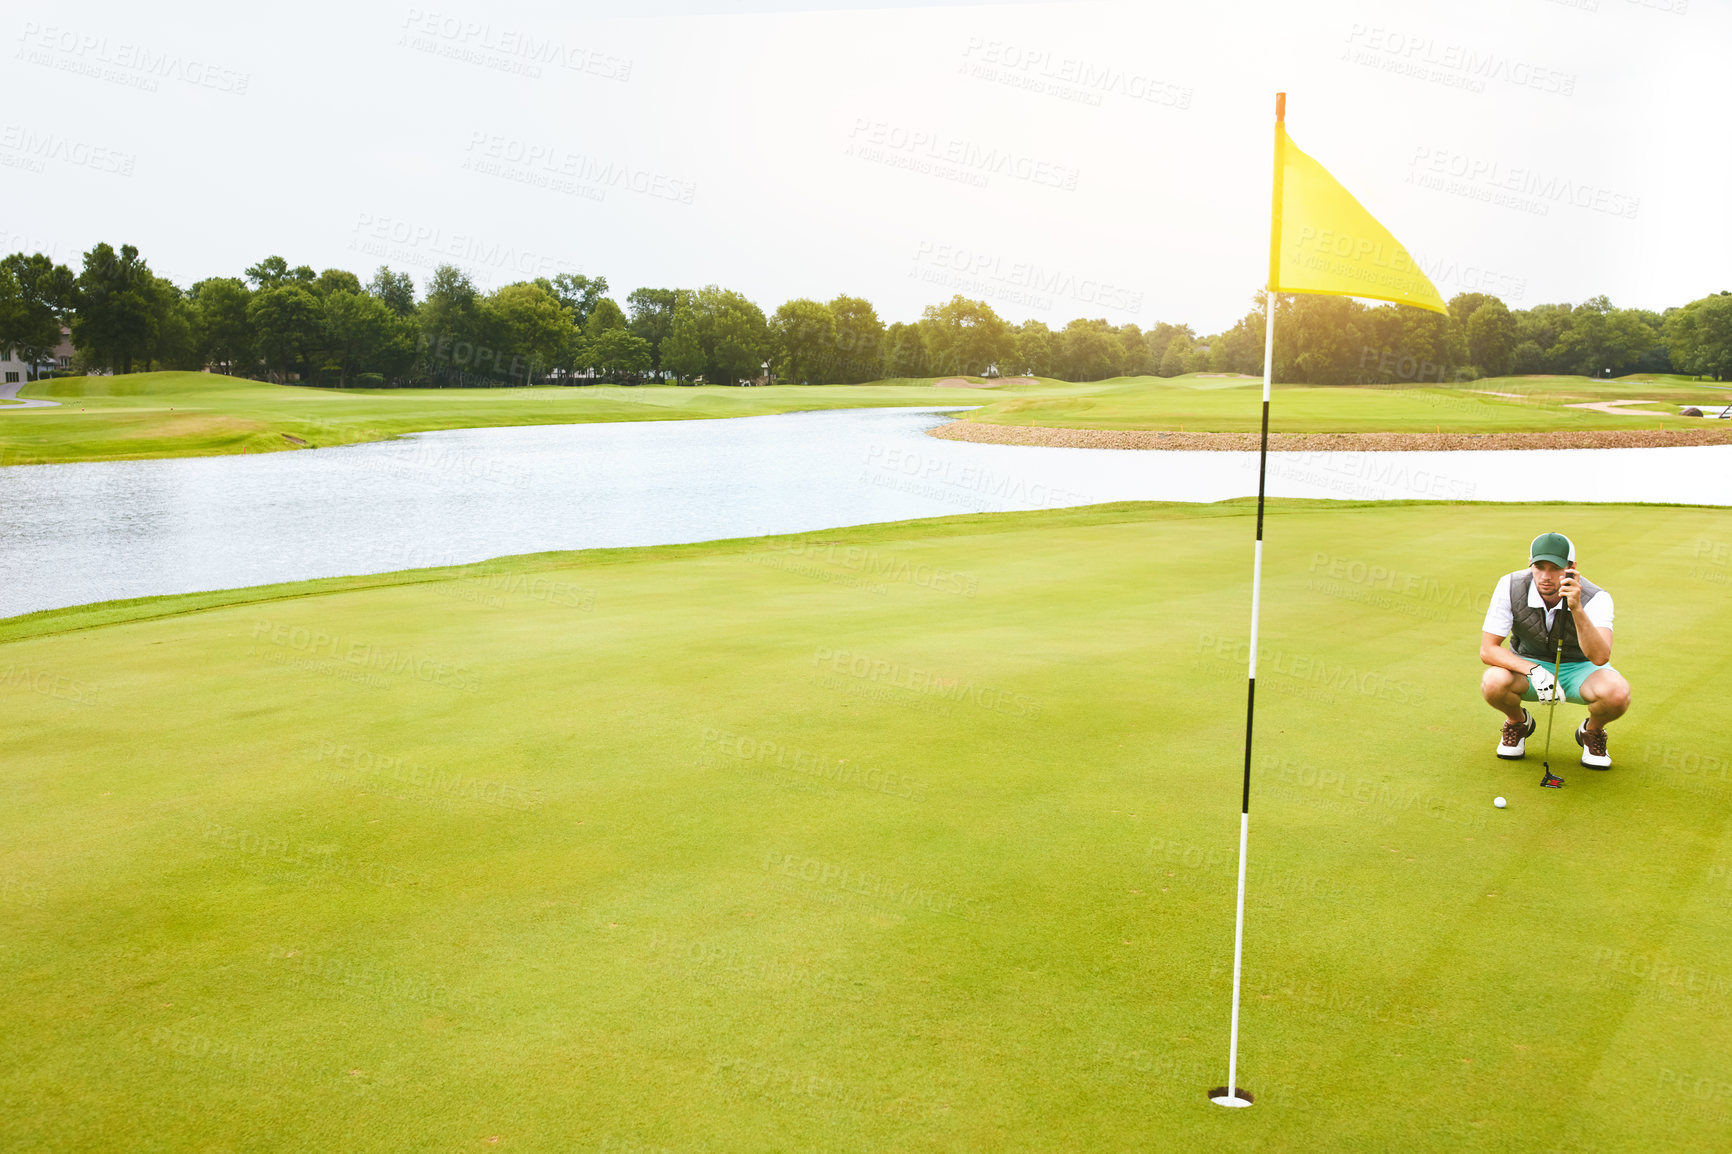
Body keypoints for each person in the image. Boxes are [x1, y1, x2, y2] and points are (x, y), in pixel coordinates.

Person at [1479, 532, 1630, 769]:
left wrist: (1577, 608)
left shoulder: (1597, 598)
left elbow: (1600, 656)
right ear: (1530, 563)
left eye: (1555, 568)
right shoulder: (1509, 586)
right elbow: (1488, 649)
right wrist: (1534, 670)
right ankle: (1518, 723)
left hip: (1581, 668)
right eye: (1539, 567)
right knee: (1493, 682)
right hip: (1527, 665)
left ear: (1572, 568)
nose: (1546, 577)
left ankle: (1591, 732)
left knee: (1617, 694)